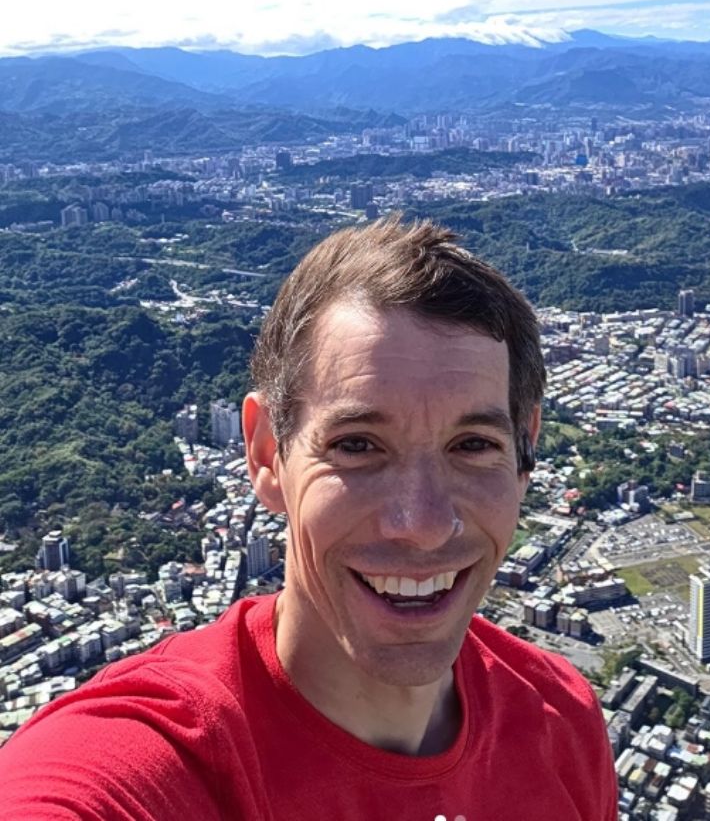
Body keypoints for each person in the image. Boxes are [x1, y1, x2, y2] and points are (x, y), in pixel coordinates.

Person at [0, 217, 617, 819]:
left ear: (525, 452)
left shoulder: (561, 719)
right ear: (268, 454)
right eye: (357, 445)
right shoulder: (155, 763)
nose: (423, 523)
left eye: (474, 445)